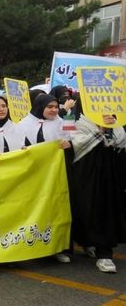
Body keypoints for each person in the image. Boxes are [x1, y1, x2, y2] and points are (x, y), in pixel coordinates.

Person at [69, 110, 126, 273]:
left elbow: (120, 142)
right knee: (86, 210)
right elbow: (71, 142)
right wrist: (98, 131)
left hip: (109, 178)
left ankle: (105, 254)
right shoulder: (77, 122)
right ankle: (88, 242)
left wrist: (110, 128)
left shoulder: (115, 122)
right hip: (85, 176)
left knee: (107, 211)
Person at [18, 93, 72, 263]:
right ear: (40, 106)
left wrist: (69, 145)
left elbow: (76, 141)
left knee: (56, 210)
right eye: (50, 107)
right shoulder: (22, 124)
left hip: (55, 175)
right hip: (33, 176)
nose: (54, 110)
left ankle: (58, 248)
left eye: (56, 107)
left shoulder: (65, 122)